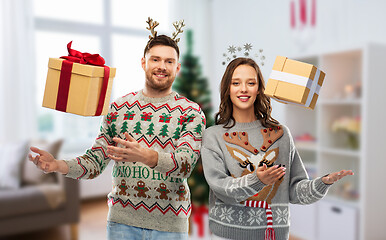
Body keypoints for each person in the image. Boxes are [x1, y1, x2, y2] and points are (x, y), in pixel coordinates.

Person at [29, 21, 206, 240]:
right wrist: (58, 165)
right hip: (122, 224)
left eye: (169, 61)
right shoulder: (119, 108)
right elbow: (95, 161)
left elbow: (185, 165)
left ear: (177, 68)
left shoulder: (191, 111)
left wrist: (147, 156)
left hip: (169, 226)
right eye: (155, 59)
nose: (162, 66)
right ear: (143, 63)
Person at [201, 57, 353, 240]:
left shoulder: (281, 134)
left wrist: (323, 183)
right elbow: (221, 188)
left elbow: (295, 192)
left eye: (251, 83)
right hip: (227, 235)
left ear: (259, 89)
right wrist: (258, 180)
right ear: (227, 89)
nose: (243, 89)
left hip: (273, 233)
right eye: (236, 83)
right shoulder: (213, 136)